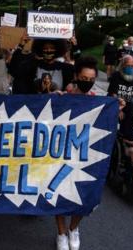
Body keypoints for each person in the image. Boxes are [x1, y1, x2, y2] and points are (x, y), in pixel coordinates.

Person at [56, 56, 98, 250]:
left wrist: (118, 108)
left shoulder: (98, 101)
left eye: (91, 79)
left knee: (82, 193)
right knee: (59, 191)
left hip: (85, 154)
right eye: (84, 78)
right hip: (62, 152)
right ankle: (61, 232)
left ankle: (74, 228)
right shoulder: (64, 97)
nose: (87, 82)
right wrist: (55, 100)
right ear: (75, 76)